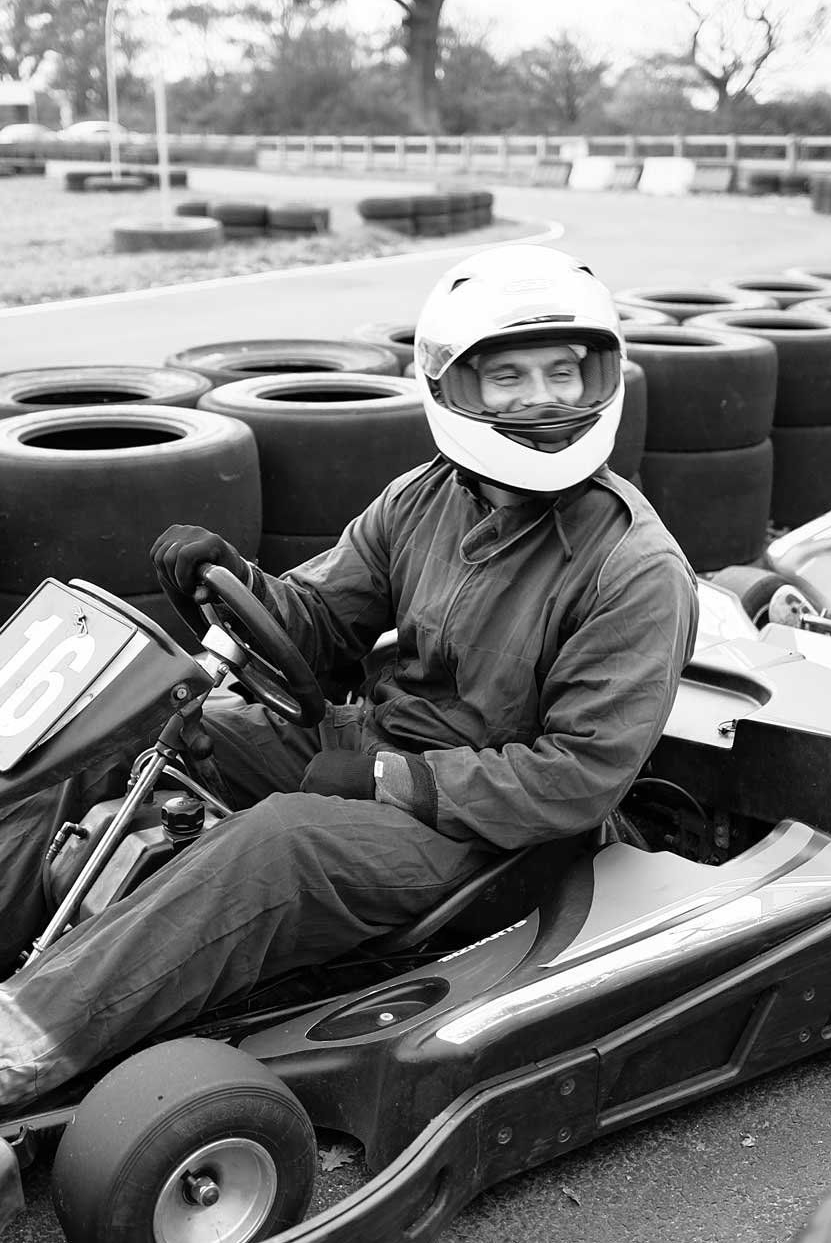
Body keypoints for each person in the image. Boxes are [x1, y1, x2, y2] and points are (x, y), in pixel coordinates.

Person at [0, 243, 698, 1111]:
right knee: (135, 725)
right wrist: (231, 578)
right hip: (371, 745)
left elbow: (578, 780)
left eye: (563, 372)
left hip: (492, 833)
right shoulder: (423, 498)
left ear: (601, 379)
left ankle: (23, 1043)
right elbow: (322, 625)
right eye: (508, 378)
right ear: (454, 386)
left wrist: (385, 779)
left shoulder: (634, 569)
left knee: (277, 844)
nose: (542, 399)